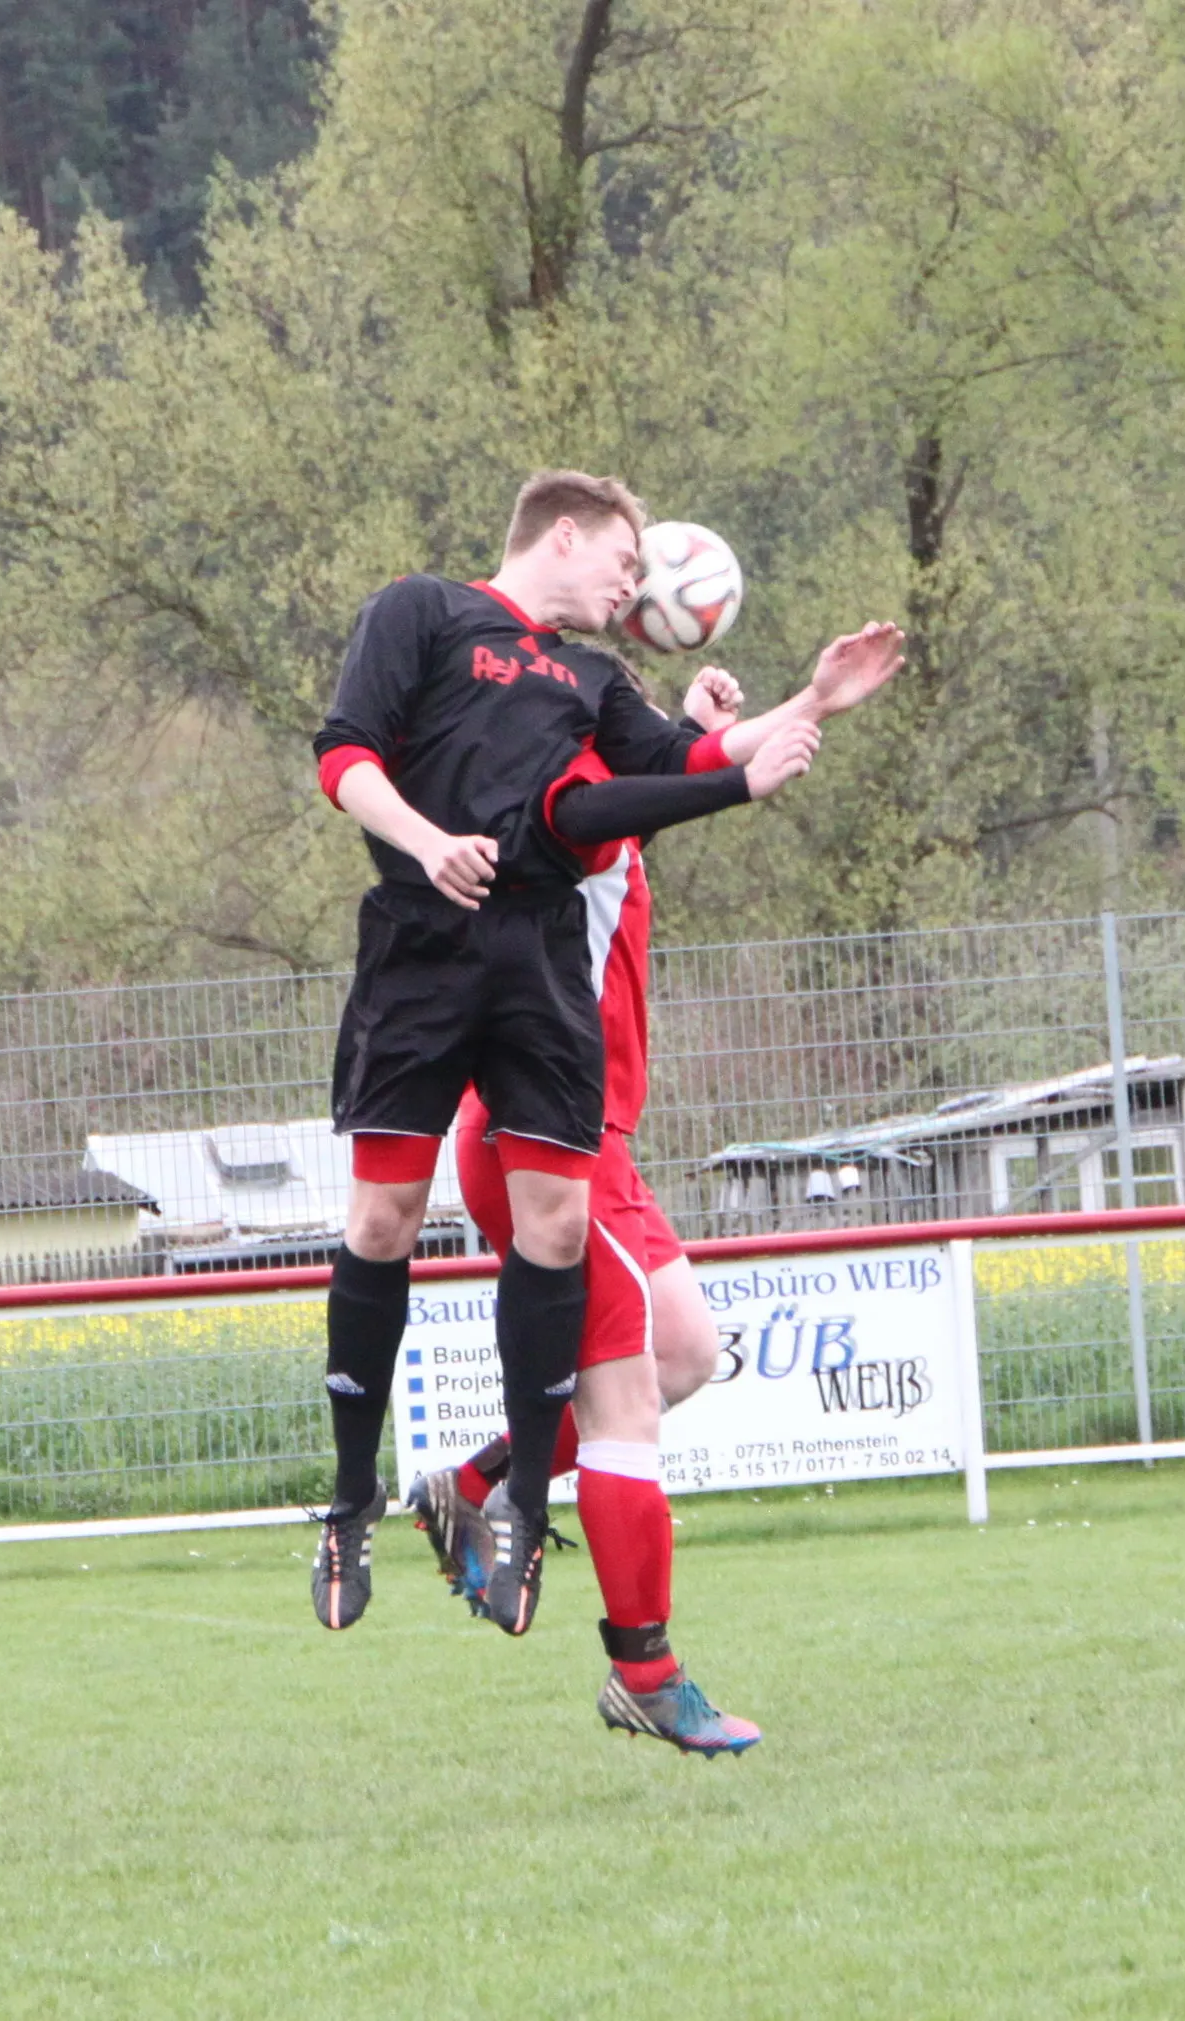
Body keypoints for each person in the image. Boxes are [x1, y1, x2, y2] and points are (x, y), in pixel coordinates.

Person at [310, 463, 900, 1638]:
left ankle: (508, 1498)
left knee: (636, 1318)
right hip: (434, 965)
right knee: (394, 1227)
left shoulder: (589, 684)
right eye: (627, 560)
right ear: (564, 535)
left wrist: (809, 704)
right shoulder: (429, 616)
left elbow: (670, 768)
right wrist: (428, 841)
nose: (634, 584)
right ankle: (366, 1501)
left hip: (541, 1002)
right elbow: (354, 758)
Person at [409, 632, 904, 1750]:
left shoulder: (593, 790)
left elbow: (660, 774)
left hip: (590, 1142)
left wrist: (764, 716)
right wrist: (770, 732)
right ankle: (645, 1670)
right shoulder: (564, 802)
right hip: (544, 1141)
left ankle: (475, 1484)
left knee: (683, 1353)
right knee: (625, 1403)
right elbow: (638, 792)